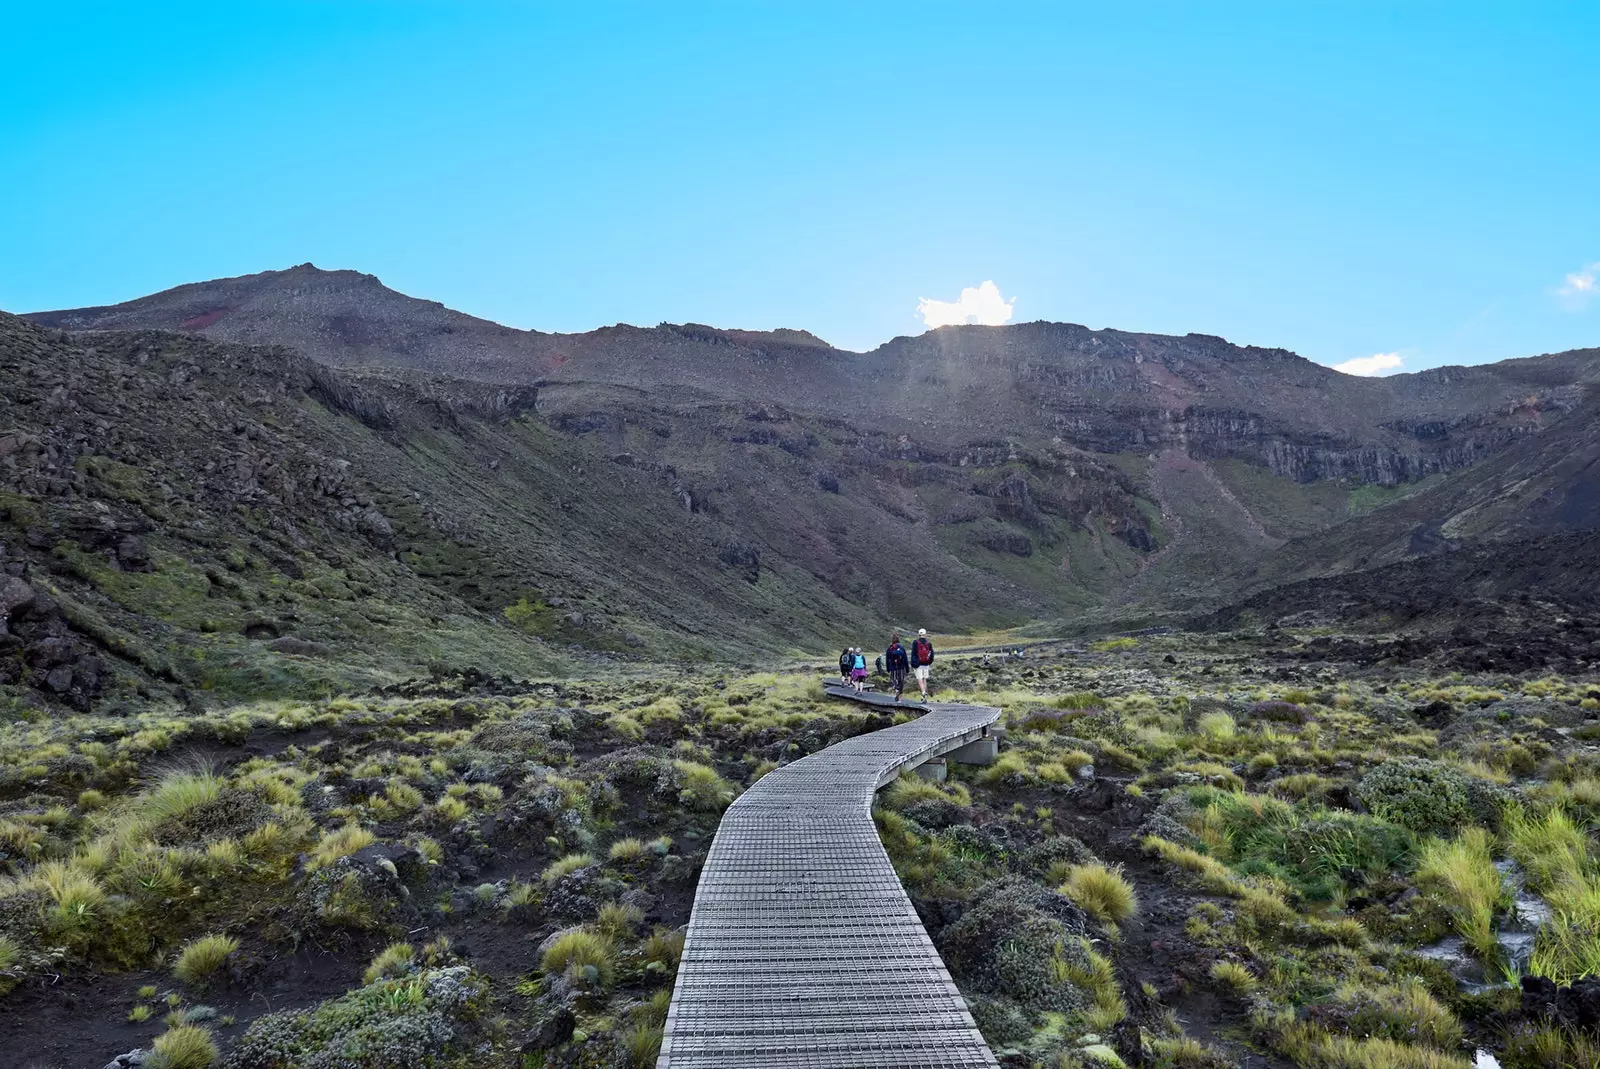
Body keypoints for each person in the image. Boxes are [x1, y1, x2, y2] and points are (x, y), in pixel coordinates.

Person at [910, 628, 935, 702]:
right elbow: (932, 654)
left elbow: (913, 653)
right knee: (924, 679)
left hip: (918, 664)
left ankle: (923, 692)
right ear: (925, 634)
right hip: (926, 664)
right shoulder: (928, 643)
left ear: (919, 634)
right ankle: (924, 697)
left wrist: (913, 663)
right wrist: (929, 662)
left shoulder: (915, 642)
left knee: (919, 679)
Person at [885, 633, 909, 702]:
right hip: (901, 667)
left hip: (893, 667)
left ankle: (896, 688)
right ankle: (900, 700)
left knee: (893, 679)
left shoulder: (890, 648)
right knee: (901, 681)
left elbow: (887, 659)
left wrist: (888, 668)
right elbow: (905, 658)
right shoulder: (901, 647)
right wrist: (907, 668)